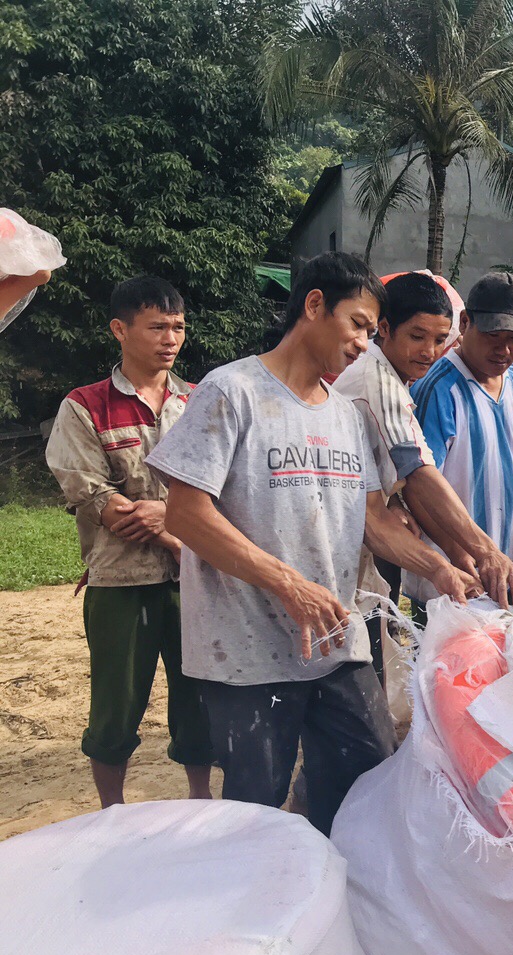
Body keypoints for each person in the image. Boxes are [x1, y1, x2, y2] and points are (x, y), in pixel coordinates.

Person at [147, 252, 477, 836]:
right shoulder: (232, 391)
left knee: (365, 779)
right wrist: (289, 585)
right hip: (247, 652)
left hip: (335, 642)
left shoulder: (348, 416)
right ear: (314, 304)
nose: (361, 344)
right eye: (356, 325)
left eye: (372, 334)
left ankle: (331, 907)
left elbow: (372, 520)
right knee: (256, 807)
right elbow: (186, 513)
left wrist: (440, 566)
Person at [45, 276, 213, 808]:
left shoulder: (201, 401)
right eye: (157, 326)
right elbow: (94, 494)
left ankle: (201, 799)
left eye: (179, 327)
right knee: (116, 702)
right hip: (120, 581)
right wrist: (177, 528)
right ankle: (111, 812)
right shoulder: (85, 406)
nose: (171, 338)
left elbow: (224, 484)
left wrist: (166, 515)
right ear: (119, 330)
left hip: (196, 581)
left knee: (199, 695)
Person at [332, 272, 513, 676]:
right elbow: (419, 473)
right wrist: (484, 552)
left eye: (439, 339)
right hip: (344, 551)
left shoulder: (397, 381)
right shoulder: (380, 381)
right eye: (417, 336)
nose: (430, 351)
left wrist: (458, 555)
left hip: (371, 541)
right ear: (384, 330)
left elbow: (409, 486)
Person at [408, 272, 513, 615]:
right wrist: (461, 557)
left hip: (503, 568)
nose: (503, 349)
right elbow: (419, 487)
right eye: (492, 335)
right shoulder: (438, 387)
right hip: (450, 580)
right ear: (465, 322)